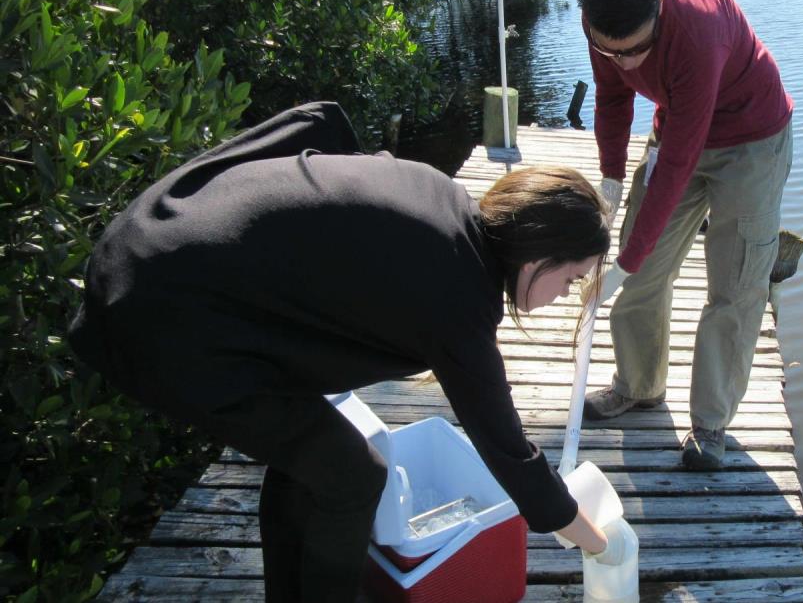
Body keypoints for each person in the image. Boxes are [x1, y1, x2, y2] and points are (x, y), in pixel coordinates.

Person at [67, 102, 623, 603]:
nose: (564, 297)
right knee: (354, 474)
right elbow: (510, 455)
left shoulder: (437, 193)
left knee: (317, 460)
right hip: (162, 318)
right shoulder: (457, 292)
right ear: (538, 255)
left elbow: (321, 124)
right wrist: (599, 544)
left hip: (149, 236)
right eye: (571, 279)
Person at [576, 0, 794, 471]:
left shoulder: (696, 35)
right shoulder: (602, 20)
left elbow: (678, 165)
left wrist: (624, 260)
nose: (626, 63)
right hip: (676, 123)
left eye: (637, 50)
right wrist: (609, 175)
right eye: (612, 51)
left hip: (751, 137)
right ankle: (639, 385)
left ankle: (710, 423)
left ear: (659, 6)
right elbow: (611, 101)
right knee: (643, 270)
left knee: (735, 285)